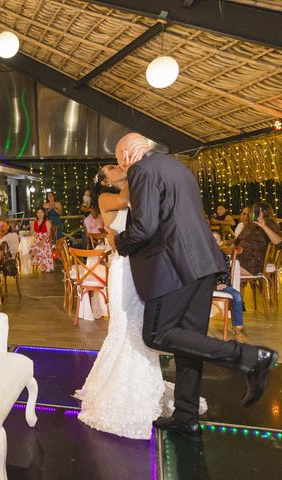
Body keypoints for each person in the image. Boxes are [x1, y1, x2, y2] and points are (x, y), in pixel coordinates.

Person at [109, 133, 277, 440]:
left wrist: (118, 241)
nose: (121, 163)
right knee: (188, 341)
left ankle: (251, 358)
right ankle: (186, 416)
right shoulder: (178, 168)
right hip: (202, 264)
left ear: (132, 152)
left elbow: (145, 227)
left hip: (172, 268)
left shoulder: (142, 170)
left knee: (157, 334)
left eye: (121, 157)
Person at [76, 164, 165, 440]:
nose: (119, 167)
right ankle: (119, 388)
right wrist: (135, 170)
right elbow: (125, 199)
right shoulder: (106, 198)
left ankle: (144, 383)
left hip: (138, 263)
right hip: (122, 267)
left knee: (139, 322)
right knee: (125, 323)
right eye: (112, 168)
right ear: (104, 180)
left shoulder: (132, 193)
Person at [211, 231, 246, 344]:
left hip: (221, 284)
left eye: (216, 239)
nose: (212, 241)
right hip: (206, 285)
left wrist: (223, 283)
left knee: (236, 295)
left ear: (220, 243)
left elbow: (225, 273)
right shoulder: (200, 254)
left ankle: (237, 327)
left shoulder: (223, 256)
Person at [236, 202, 282, 276]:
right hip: (240, 258)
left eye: (257, 211)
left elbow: (279, 243)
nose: (253, 214)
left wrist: (264, 226)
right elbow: (237, 241)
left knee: (220, 269)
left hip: (253, 264)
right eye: (254, 211)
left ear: (266, 213)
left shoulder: (270, 226)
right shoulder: (250, 226)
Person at [29, 207, 54, 273]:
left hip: (45, 239)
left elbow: (48, 234)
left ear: (44, 214)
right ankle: (36, 260)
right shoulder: (34, 222)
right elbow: (31, 232)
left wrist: (42, 241)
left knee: (40, 249)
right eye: (38, 212)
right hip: (37, 239)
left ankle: (44, 265)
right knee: (31, 248)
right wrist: (25, 234)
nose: (39, 214)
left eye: (41, 212)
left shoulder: (47, 222)